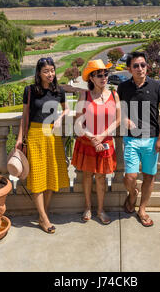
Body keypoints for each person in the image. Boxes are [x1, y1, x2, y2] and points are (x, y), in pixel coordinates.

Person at [15, 57, 70, 234]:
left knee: (51, 176)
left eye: (52, 70)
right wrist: (19, 138)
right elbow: (25, 116)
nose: (50, 74)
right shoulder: (29, 91)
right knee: (38, 177)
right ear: (39, 73)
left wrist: (61, 118)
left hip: (52, 136)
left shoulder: (58, 91)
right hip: (36, 135)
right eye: (46, 71)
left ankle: (42, 214)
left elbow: (67, 108)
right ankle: (44, 218)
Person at [117, 51, 160, 227]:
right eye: (136, 66)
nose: (140, 69)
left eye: (143, 65)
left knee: (149, 176)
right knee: (130, 177)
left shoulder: (157, 87)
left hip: (152, 139)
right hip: (131, 139)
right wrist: (124, 118)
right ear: (129, 69)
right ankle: (132, 195)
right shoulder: (123, 87)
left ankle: (142, 209)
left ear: (147, 66)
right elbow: (120, 109)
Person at [71, 59, 121, 224]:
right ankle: (87, 207)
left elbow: (118, 120)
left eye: (105, 74)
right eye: (99, 75)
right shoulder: (84, 95)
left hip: (104, 141)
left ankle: (100, 209)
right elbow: (78, 122)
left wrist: (101, 136)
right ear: (91, 78)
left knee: (100, 177)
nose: (103, 77)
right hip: (87, 142)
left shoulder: (114, 94)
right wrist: (92, 138)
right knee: (86, 176)